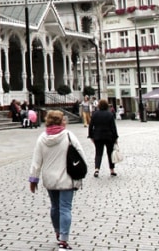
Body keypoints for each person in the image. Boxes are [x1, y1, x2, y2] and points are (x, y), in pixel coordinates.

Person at [29, 110, 87, 250]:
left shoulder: (42, 138)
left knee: (55, 207)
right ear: (62, 121)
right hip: (67, 177)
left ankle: (57, 231)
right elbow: (80, 154)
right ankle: (64, 239)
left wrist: (33, 179)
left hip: (50, 179)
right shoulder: (68, 135)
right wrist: (81, 173)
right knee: (65, 208)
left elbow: (36, 161)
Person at [88, 98, 119, 177]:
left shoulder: (95, 114)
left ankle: (97, 169)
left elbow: (91, 126)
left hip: (97, 136)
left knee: (98, 153)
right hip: (109, 137)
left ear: (98, 106)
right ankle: (112, 170)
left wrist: (91, 136)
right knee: (110, 153)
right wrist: (115, 138)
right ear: (106, 106)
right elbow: (113, 127)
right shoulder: (110, 114)